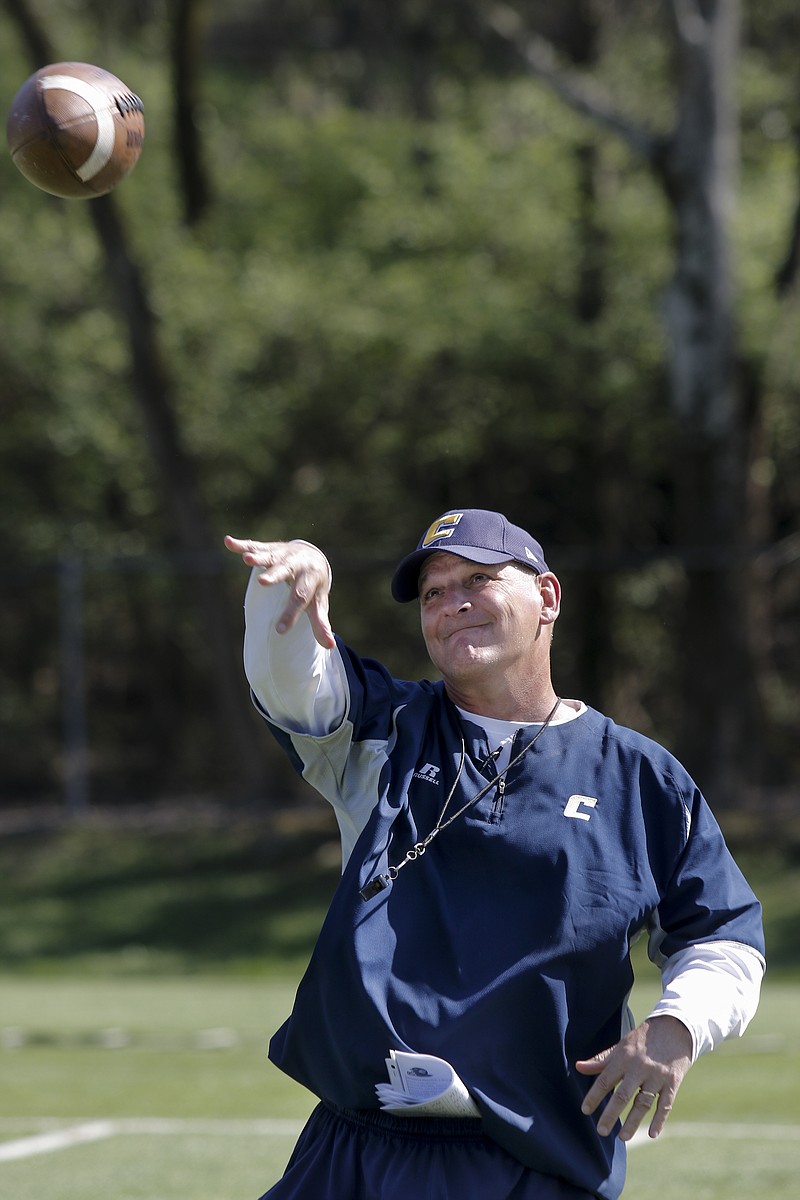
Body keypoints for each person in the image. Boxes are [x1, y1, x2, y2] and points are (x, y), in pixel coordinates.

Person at [224, 508, 765, 1200]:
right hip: (354, 1149)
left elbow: (725, 936)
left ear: (547, 598)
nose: (452, 605)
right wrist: (284, 584)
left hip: (534, 1163)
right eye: (433, 594)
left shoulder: (639, 777)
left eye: (477, 580)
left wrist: (677, 1025)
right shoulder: (383, 732)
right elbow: (292, 680)